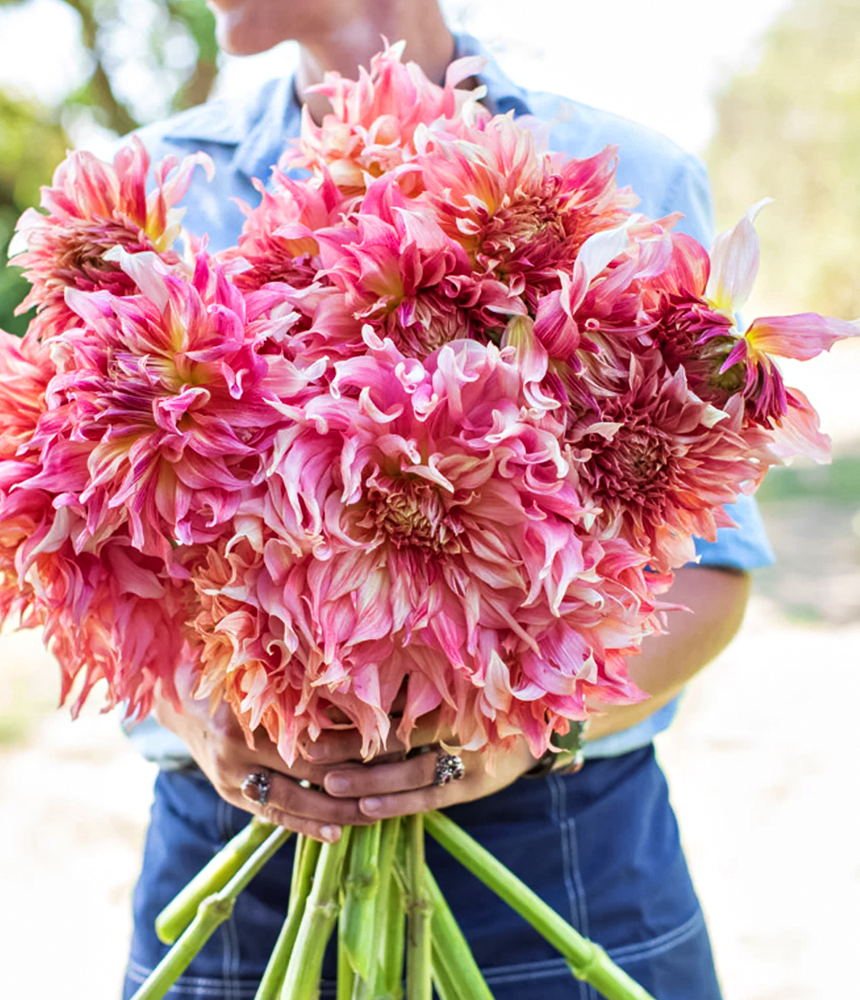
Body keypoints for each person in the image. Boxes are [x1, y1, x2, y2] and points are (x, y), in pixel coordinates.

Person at [121, 2, 775, 997]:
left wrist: (526, 728)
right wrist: (199, 710)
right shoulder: (143, 205)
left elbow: (710, 569)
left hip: (558, 845)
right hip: (240, 847)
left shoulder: (627, 174)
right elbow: (85, 544)